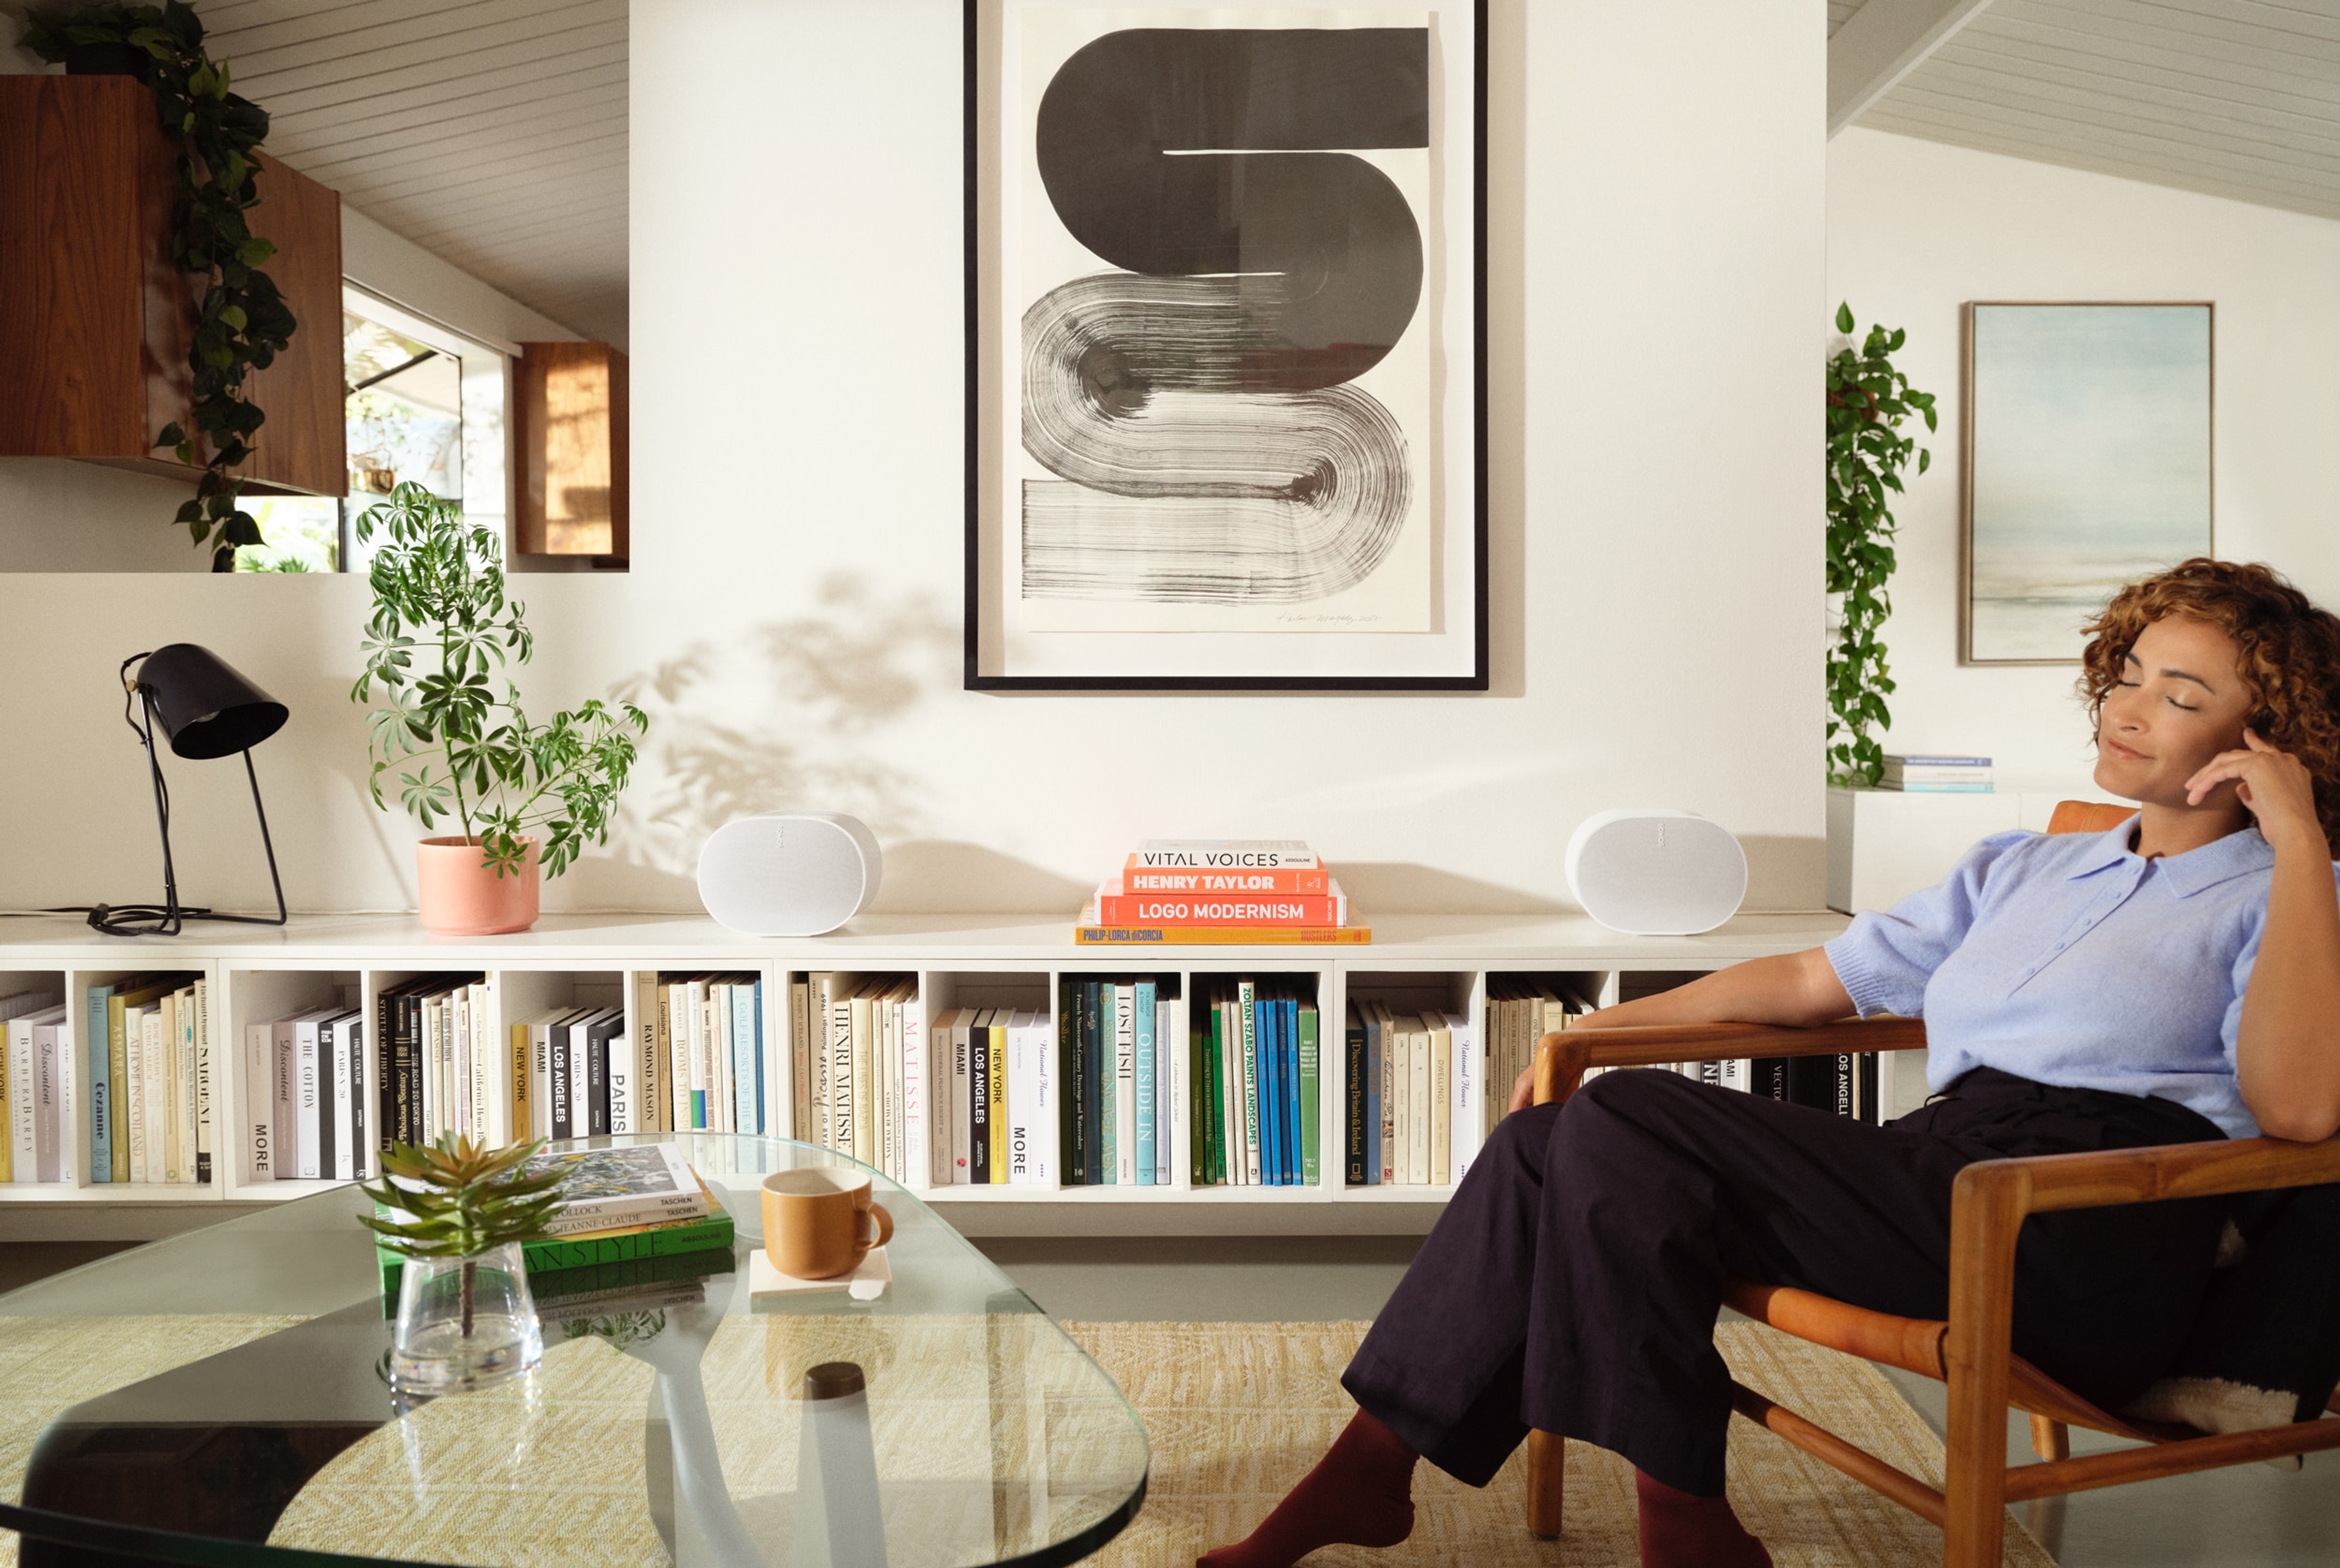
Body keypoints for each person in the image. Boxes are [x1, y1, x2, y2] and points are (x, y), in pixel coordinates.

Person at [1197, 558, 2340, 1568]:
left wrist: (2297, 842)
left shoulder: (2296, 896)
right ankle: (1391, 1465)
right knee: (1555, 1140)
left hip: (2073, 1226)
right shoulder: (2027, 866)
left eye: (2182, 694)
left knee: (1623, 1126)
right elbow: (1810, 980)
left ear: (2270, 736)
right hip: (1939, 1167)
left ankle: (1661, 1510)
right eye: (2130, 670)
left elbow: (2300, 1109)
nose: (2131, 707)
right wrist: (1594, 1034)